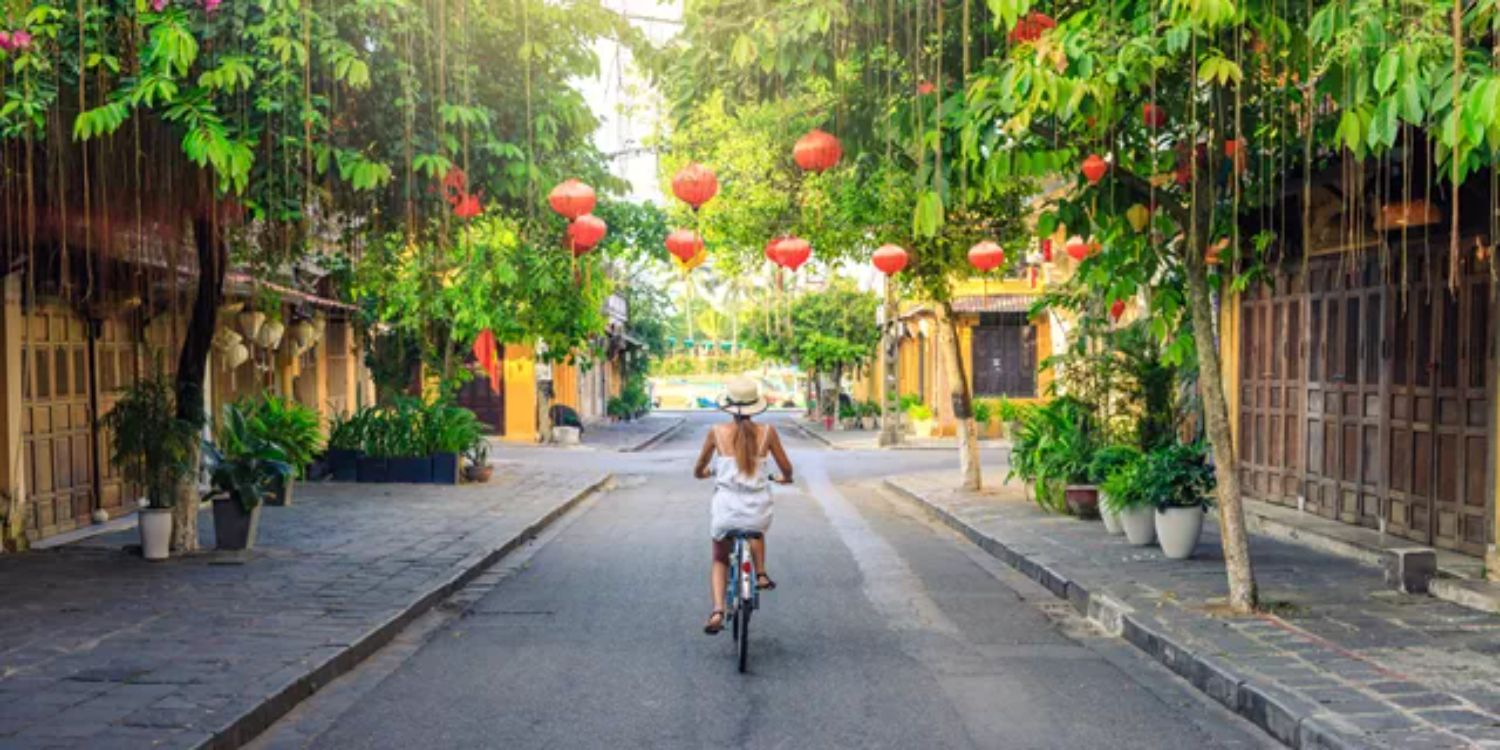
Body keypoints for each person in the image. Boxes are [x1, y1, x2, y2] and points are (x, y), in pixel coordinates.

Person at [693, 376, 794, 635]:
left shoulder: (716, 432)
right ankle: (760, 573)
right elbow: (786, 468)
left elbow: (699, 468)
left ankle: (717, 610)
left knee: (719, 558)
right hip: (757, 508)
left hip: (726, 510)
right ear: (754, 405)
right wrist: (786, 478)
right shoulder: (768, 433)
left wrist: (704, 473)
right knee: (756, 530)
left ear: (729, 405)